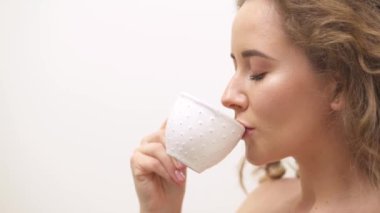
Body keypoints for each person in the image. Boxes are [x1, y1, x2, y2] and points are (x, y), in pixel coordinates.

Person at [130, 0, 380, 212]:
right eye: (235, 68)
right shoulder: (262, 202)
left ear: (337, 85)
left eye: (258, 73)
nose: (228, 96)